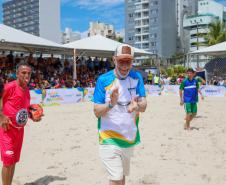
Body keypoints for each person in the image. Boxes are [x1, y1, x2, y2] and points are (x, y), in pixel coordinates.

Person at [93, 44, 147, 185]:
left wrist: (137, 106)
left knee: (122, 177)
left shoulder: (137, 78)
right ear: (114, 60)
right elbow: (96, 112)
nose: (124, 65)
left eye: (128, 61)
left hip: (129, 138)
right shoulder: (103, 80)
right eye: (121, 61)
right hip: (108, 138)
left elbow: (144, 105)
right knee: (116, 179)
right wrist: (111, 104)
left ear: (132, 61)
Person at [0, 61, 41, 185]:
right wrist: (1, 115)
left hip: (19, 131)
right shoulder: (9, 87)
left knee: (13, 162)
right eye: (23, 73)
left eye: (28, 73)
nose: (27, 75)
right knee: (7, 162)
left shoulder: (27, 90)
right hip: (7, 129)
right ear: (17, 74)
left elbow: (24, 109)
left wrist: (33, 116)